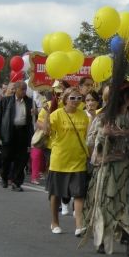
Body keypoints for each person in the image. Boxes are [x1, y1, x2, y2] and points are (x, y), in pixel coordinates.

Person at [85, 69, 129, 257]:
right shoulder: (103, 117)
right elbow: (90, 141)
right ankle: (101, 239)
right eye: (125, 97)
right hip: (108, 168)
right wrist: (104, 135)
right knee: (107, 204)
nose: (128, 101)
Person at [36, 86, 90, 236]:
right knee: (55, 193)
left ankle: (79, 225)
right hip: (60, 159)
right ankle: (54, 222)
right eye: (72, 98)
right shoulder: (57, 114)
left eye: (79, 98)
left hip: (78, 159)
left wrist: (91, 154)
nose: (76, 101)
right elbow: (46, 131)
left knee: (79, 194)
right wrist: (47, 114)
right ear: (65, 99)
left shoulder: (83, 116)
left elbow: (88, 137)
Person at [0, 81, 34, 192]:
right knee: (6, 156)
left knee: (22, 158)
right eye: (21, 89)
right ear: (15, 89)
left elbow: (33, 120)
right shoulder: (5, 101)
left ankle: (16, 182)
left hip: (23, 132)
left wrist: (35, 113)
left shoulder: (30, 102)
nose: (24, 91)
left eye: (25, 89)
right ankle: (4, 177)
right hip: (9, 131)